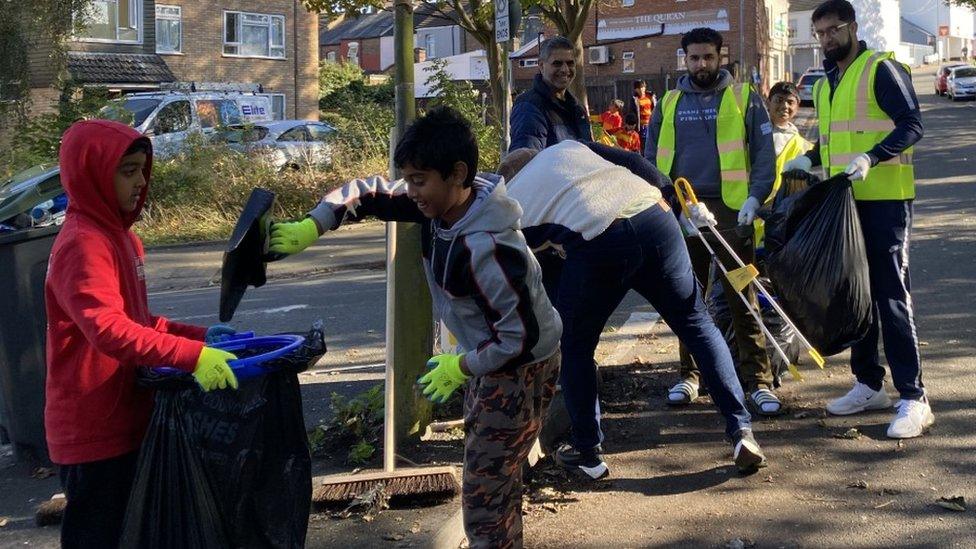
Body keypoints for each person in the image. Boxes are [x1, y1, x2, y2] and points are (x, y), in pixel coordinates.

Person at [267, 107, 562, 548]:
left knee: (485, 496)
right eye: (407, 177)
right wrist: (314, 224)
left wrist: (463, 366)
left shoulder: (489, 247)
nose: (411, 190)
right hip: (494, 356)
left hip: (521, 369)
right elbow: (366, 194)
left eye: (419, 179)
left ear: (457, 173)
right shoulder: (438, 205)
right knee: (496, 480)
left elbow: (521, 338)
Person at [498, 141, 767, 479]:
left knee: (575, 346)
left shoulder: (511, 206)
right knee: (697, 323)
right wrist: (674, 199)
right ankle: (742, 431)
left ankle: (588, 454)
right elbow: (633, 159)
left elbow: (539, 287)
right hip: (655, 215)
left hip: (599, 239)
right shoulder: (569, 148)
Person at [45, 120, 240, 548]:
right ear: (92, 173)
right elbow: (109, 330)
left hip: (128, 417)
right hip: (92, 429)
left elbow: (139, 320)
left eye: (142, 169)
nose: (140, 182)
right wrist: (191, 357)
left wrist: (204, 337)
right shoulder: (82, 243)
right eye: (127, 171)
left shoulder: (122, 239)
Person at [784, 0, 929, 438]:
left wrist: (872, 156)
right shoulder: (827, 83)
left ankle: (914, 398)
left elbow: (911, 125)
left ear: (852, 26)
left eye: (833, 30)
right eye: (820, 33)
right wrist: (807, 159)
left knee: (890, 297)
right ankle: (869, 383)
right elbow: (831, 143)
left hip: (885, 201)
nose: (827, 39)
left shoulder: (880, 69)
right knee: (856, 295)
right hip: (845, 203)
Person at [644, 27, 782, 416]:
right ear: (683, 59)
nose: (701, 64)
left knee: (742, 294)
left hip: (730, 213)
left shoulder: (743, 98)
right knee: (688, 295)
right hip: (683, 210)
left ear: (721, 57)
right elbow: (652, 155)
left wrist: (756, 197)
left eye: (708, 57)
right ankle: (690, 375)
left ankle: (759, 382)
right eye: (694, 58)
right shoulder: (669, 102)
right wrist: (664, 200)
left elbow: (764, 155)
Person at [510, 36, 592, 151]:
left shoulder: (578, 108)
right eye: (557, 63)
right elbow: (527, 158)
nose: (565, 69)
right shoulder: (529, 107)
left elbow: (589, 153)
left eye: (570, 63)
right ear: (541, 66)